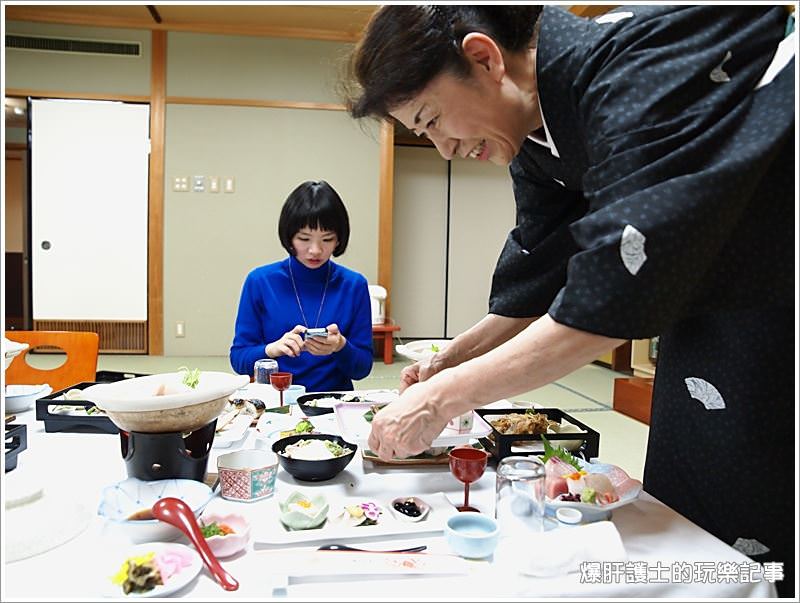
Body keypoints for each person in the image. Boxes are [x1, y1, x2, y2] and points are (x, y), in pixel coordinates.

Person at [343, 5, 795, 596]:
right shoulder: (533, 134)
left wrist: (442, 397)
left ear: (485, 58)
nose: (444, 148)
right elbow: (538, 279)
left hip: (776, 283)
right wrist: (450, 360)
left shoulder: (627, 64)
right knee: (695, 491)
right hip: (712, 307)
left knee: (766, 497)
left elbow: (611, 296)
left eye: (431, 119)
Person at [230, 180, 374, 392]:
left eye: (327, 239)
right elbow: (239, 360)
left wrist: (341, 346)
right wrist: (272, 349)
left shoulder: (354, 285)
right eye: (304, 239)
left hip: (332, 402)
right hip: (277, 401)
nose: (315, 250)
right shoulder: (260, 282)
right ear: (289, 237)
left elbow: (362, 369)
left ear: (338, 240)